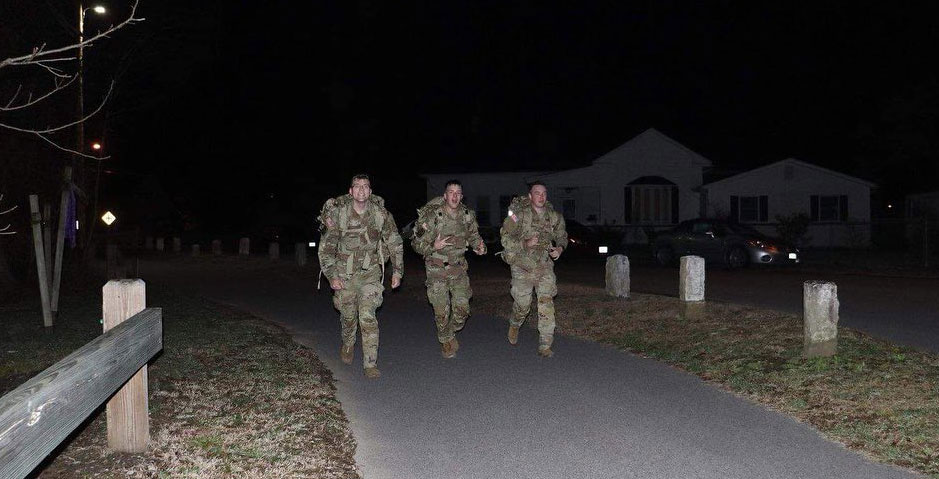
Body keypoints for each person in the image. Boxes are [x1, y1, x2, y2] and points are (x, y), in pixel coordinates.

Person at [317, 174, 404, 378]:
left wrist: (397, 271)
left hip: (370, 274)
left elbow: (395, 242)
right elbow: (326, 249)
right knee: (348, 318)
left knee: (367, 316)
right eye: (357, 186)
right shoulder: (339, 214)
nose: (361, 190)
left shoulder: (381, 215)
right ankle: (348, 342)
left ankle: (370, 363)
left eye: (365, 186)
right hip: (344, 275)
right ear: (351, 191)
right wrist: (332, 276)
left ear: (370, 191)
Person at [411, 179, 486, 358]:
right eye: (451, 192)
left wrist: (480, 247)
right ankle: (445, 340)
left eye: (458, 193)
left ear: (462, 196)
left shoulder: (467, 216)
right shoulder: (432, 217)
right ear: (445, 196)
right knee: (441, 311)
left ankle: (449, 333)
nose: (454, 196)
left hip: (458, 269)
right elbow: (415, 244)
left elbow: (474, 236)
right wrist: (433, 246)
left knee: (463, 310)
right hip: (436, 270)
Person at [499, 181, 568, 357]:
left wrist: (560, 248)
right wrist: (525, 243)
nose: (541, 196)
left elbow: (562, 236)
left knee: (546, 302)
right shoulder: (518, 216)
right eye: (537, 193)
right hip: (522, 266)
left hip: (544, 266)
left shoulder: (554, 217)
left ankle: (545, 345)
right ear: (530, 196)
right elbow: (505, 238)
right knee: (523, 305)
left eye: (544, 193)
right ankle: (515, 323)